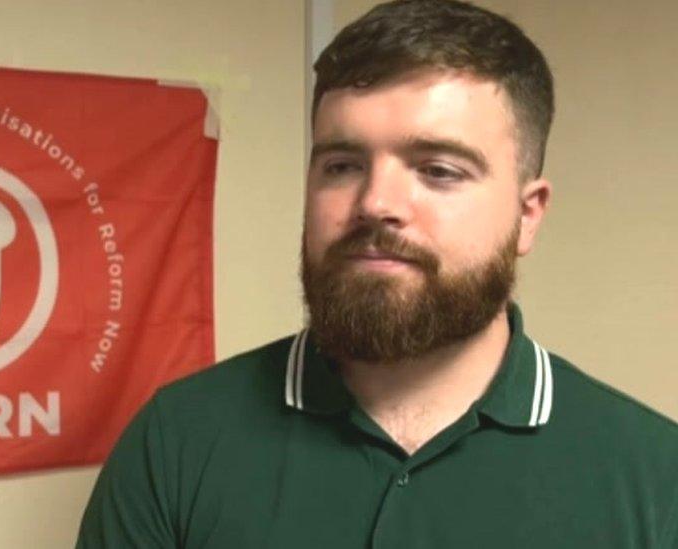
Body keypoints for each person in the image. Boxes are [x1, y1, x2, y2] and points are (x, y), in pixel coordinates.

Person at [76, 0, 678, 547]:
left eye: (438, 170)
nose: (374, 203)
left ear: (527, 215)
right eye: (341, 165)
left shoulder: (653, 476)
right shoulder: (177, 441)